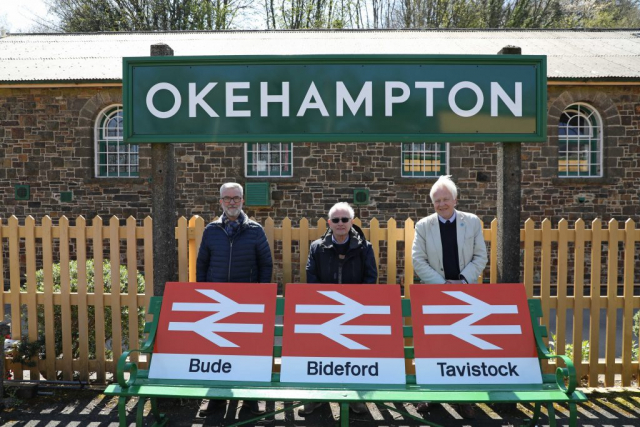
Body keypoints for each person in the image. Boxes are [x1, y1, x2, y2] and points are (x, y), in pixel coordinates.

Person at [411, 175, 488, 419]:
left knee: (464, 346)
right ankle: (429, 395)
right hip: (434, 295)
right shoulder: (423, 226)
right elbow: (418, 260)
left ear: (455, 199)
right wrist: (442, 284)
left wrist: (462, 280)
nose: (442, 204)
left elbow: (480, 257)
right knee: (432, 346)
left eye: (445, 199)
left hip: (466, 295)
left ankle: (463, 398)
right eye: (437, 200)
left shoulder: (473, 222)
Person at [196, 182, 273, 415]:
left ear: (243, 200)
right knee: (217, 350)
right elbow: (202, 264)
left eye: (236, 198)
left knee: (247, 351)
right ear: (220, 202)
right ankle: (217, 400)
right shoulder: (211, 230)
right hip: (217, 303)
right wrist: (204, 294)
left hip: (246, 303)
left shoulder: (255, 230)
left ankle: (249, 401)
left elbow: (265, 264)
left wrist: (259, 295)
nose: (232, 202)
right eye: (227, 198)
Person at [302, 202, 377, 415]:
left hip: (355, 311)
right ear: (329, 223)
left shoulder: (365, 247)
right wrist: (328, 304)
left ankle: (354, 398)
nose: (340, 223)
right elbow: (312, 276)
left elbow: (370, 278)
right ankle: (318, 398)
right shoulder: (317, 247)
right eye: (336, 220)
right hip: (325, 312)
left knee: (353, 355)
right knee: (322, 356)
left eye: (345, 219)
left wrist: (356, 305)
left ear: (352, 222)